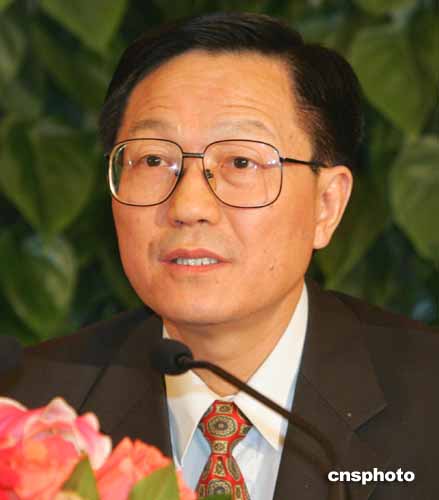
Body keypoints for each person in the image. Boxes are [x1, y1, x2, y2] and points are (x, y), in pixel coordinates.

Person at [3, 11, 439, 500]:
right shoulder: (24, 411)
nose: (189, 207)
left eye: (241, 162)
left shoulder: (429, 399)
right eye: (153, 160)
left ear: (326, 204)